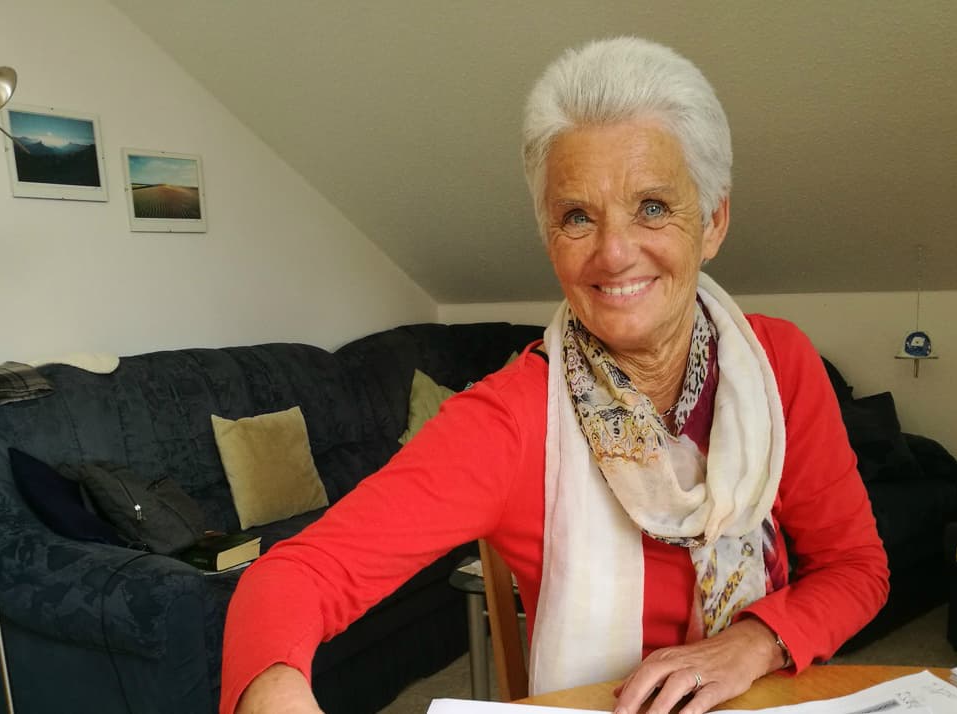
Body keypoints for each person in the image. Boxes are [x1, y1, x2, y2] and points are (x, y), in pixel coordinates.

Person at [223, 37, 888, 714]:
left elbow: (856, 568)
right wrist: (274, 687)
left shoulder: (779, 363)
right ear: (549, 240)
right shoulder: (511, 421)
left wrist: (754, 643)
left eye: (653, 207)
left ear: (712, 222)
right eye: (578, 217)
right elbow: (292, 578)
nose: (615, 252)